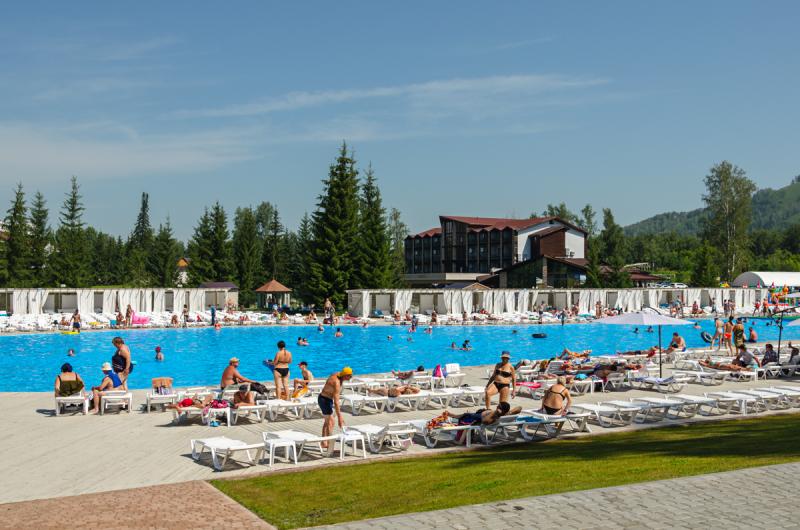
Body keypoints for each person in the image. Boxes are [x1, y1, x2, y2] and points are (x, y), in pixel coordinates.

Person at [318, 367, 353, 446]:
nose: (351, 377)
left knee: (327, 422)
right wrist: (340, 417)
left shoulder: (337, 374)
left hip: (326, 399)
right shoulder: (336, 383)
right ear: (345, 375)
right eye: (350, 376)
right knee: (331, 422)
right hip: (324, 400)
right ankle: (329, 447)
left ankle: (324, 442)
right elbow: (336, 402)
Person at [444, 402, 522, 427]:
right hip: (480, 413)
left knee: (465, 414)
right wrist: (510, 412)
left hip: (477, 418)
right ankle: (452, 416)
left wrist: (495, 413)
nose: (496, 406)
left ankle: (451, 416)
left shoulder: (495, 415)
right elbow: (519, 407)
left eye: (498, 406)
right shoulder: (505, 415)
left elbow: (485, 421)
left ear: (501, 409)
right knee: (468, 413)